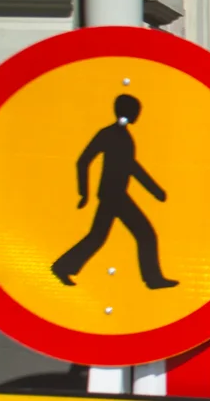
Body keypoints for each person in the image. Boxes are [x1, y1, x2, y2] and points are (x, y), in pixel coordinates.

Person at [52, 94, 178, 290]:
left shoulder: (124, 136)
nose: (138, 114)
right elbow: (83, 160)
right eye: (135, 110)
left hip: (116, 194)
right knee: (144, 233)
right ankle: (153, 279)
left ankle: (62, 267)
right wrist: (83, 192)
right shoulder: (109, 134)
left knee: (98, 236)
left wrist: (155, 190)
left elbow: (132, 166)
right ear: (128, 111)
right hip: (113, 195)